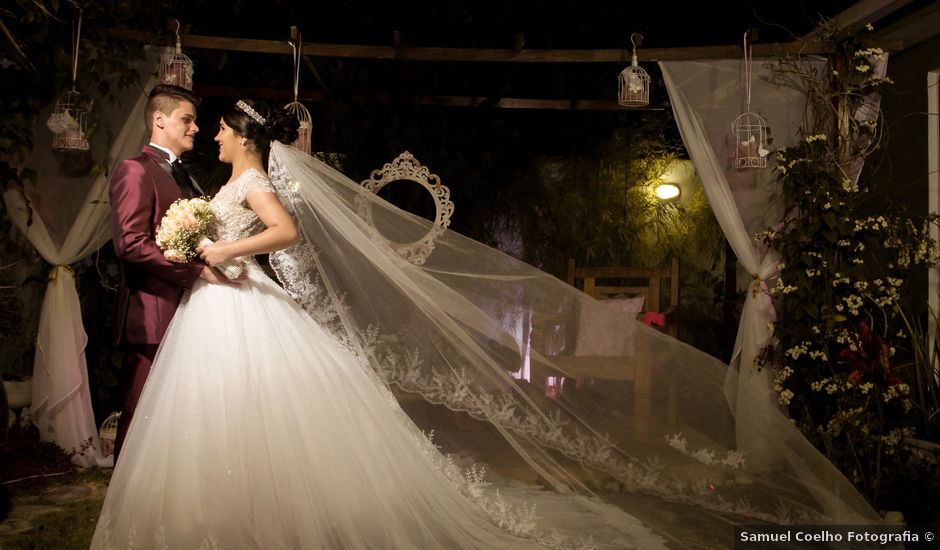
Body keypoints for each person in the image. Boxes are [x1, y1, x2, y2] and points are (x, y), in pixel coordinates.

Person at [92, 97, 879, 549]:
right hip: (219, 302)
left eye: (216, 126)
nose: (210, 132)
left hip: (233, 295)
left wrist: (220, 245)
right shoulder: (208, 177)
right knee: (225, 413)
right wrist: (211, 250)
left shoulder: (253, 174)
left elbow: (283, 234)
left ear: (241, 134)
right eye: (201, 124)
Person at [108, 84, 242, 462]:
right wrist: (196, 272)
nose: (195, 128)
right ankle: (124, 505)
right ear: (159, 119)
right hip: (153, 311)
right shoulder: (135, 170)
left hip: (191, 314)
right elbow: (130, 244)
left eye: (195, 121)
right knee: (142, 412)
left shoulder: (184, 175)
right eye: (187, 119)